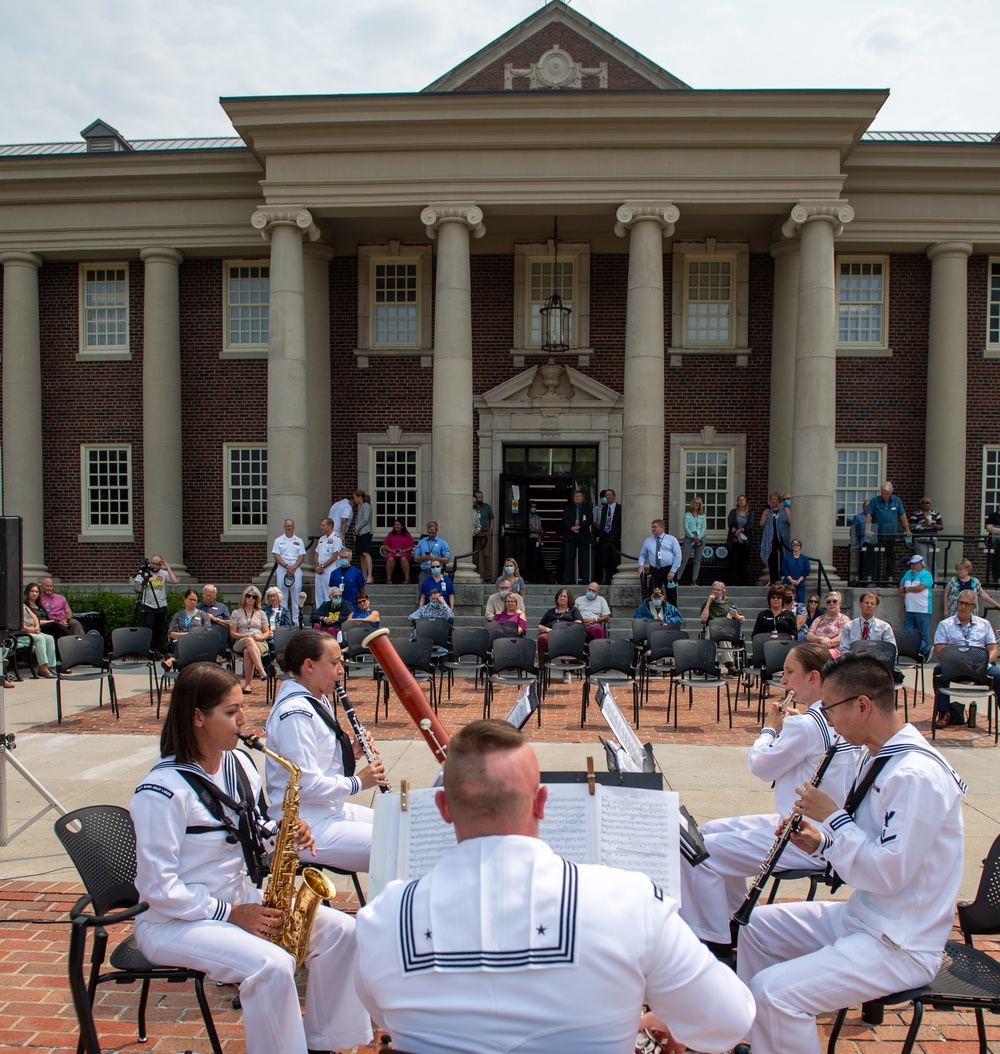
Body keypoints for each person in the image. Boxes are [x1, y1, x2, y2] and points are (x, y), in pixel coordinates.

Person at [354, 719, 755, 1054]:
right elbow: (728, 1020)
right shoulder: (631, 902)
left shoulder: (381, 919)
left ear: (442, 807)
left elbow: (385, 1014)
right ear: (541, 802)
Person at [130, 662, 373, 1054]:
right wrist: (230, 913)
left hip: (237, 900)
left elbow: (258, 830)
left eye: (242, 707)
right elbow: (158, 889)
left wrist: (285, 835)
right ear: (197, 718)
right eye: (230, 712)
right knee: (272, 965)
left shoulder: (239, 764)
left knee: (341, 933)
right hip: (173, 921)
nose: (244, 720)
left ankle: (327, 1043)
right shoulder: (161, 791)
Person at [737, 654, 966, 1054]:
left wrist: (833, 820)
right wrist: (821, 841)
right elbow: (868, 841)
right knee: (754, 927)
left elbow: (889, 873)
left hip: (899, 941)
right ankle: (768, 1041)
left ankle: (776, 1025)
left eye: (829, 709)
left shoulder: (916, 775)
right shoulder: (878, 753)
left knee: (775, 991)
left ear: (862, 705)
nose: (825, 719)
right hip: (865, 916)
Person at [679, 643, 857, 958]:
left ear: (813, 677)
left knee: (699, 852)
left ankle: (712, 939)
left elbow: (761, 767)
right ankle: (732, 917)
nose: (784, 681)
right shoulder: (827, 718)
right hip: (815, 825)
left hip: (808, 836)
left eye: (790, 673)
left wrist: (769, 729)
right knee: (710, 831)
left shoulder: (805, 724)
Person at [264, 631, 388, 873]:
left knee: (401, 829)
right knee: (395, 849)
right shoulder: (295, 714)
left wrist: (351, 753)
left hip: (329, 810)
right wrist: (359, 782)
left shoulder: (316, 699)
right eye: (333, 663)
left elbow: (322, 764)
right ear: (309, 665)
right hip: (305, 825)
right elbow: (307, 785)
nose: (340, 670)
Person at [931, 588, 1000, 727]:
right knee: (938, 670)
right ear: (956, 604)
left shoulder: (984, 624)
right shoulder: (945, 624)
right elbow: (940, 651)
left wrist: (985, 662)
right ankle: (944, 713)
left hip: (978, 665)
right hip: (954, 665)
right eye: (960, 603)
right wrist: (957, 661)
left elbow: (993, 649)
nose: (962, 606)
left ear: (973, 607)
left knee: (998, 675)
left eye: (967, 604)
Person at [864, 481, 912, 584]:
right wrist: (867, 529)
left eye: (886, 493)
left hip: (891, 534)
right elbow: (868, 515)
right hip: (877, 533)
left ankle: (887, 579)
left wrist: (907, 529)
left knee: (889, 557)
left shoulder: (896, 500)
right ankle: (874, 579)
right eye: (883, 493)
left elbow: (902, 515)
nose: (884, 495)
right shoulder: (874, 501)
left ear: (891, 492)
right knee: (874, 557)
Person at [230, 586, 272, 695]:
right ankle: (261, 670)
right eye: (248, 596)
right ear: (244, 597)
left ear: (257, 599)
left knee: (247, 652)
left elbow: (267, 632)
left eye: (254, 597)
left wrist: (261, 637)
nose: (251, 598)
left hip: (259, 641)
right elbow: (233, 633)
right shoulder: (236, 613)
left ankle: (248, 685)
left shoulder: (261, 613)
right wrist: (243, 635)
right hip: (241, 640)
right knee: (248, 640)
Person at [134, 555, 178, 653]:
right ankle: (151, 650)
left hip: (161, 604)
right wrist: (140, 587)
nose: (154, 566)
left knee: (159, 629)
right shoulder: (144, 573)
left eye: (157, 564)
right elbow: (136, 586)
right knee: (149, 627)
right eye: (153, 563)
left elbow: (174, 581)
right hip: (147, 604)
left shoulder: (164, 573)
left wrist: (167, 567)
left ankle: (158, 650)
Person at [163, 588, 213, 669]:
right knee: (183, 642)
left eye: (195, 600)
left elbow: (207, 632)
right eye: (190, 599)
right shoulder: (178, 615)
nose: (193, 602)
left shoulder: (202, 615)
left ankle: (172, 659)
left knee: (188, 643)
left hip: (197, 643)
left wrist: (190, 637)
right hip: (179, 642)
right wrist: (186, 635)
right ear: (185, 599)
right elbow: (171, 634)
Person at [536, 587, 583, 670]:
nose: (562, 598)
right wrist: (549, 630)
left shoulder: (573, 610)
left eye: (565, 596)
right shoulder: (550, 612)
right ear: (557, 598)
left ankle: (566, 670)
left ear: (569, 599)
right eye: (561, 596)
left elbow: (578, 624)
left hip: (567, 635)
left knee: (561, 640)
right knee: (541, 638)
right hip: (550, 635)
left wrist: (563, 631)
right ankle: (542, 667)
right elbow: (540, 626)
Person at [637, 519, 681, 606]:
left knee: (671, 594)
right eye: (652, 527)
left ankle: (672, 615)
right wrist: (641, 565)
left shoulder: (671, 539)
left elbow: (678, 555)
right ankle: (653, 614)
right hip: (655, 570)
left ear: (662, 527)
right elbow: (643, 555)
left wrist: (673, 571)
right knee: (653, 593)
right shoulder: (648, 541)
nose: (653, 529)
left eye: (655, 527)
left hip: (668, 569)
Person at [899, 552, 933, 658]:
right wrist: (902, 589)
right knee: (908, 631)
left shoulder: (926, 574)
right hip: (910, 609)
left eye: (914, 564)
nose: (912, 566)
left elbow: (920, 588)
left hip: (923, 609)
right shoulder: (908, 573)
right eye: (911, 564)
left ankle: (924, 652)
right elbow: (901, 585)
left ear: (921, 564)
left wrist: (906, 589)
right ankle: (924, 650)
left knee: (923, 633)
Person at [271, 519, 305, 623]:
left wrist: (294, 567)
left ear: (294, 527)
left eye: (291, 526)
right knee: (282, 596)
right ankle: (283, 620)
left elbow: (301, 556)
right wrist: (286, 566)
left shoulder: (299, 541)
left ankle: (296, 621)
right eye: (287, 526)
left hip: (296, 569)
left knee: (296, 596)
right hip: (282, 569)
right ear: (284, 527)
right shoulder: (278, 540)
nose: (289, 527)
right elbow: (276, 555)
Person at [21, 584, 59, 677]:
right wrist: (33, 630)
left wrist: (37, 627)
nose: (34, 593)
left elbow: (34, 616)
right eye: (32, 591)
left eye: (36, 591)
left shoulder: (22, 605)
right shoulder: (11, 608)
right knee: (40, 639)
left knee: (49, 638)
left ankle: (50, 667)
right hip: (23, 633)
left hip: (33, 630)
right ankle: (43, 668)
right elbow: (20, 626)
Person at [806, 591, 850, 658]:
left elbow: (842, 638)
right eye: (828, 602)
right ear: (826, 604)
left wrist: (827, 643)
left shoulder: (844, 619)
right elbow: (809, 636)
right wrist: (821, 639)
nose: (831, 603)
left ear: (840, 603)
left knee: (822, 655)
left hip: (835, 650)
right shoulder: (819, 619)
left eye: (834, 601)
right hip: (817, 649)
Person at [759, 492, 791, 585]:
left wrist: (788, 512)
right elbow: (761, 524)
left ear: (779, 500)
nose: (773, 501)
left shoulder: (784, 510)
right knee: (772, 558)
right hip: (771, 538)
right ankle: (773, 578)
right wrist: (765, 515)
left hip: (782, 537)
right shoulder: (769, 511)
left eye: (775, 499)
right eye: (772, 499)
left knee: (784, 556)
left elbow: (789, 521)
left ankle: (782, 576)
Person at [561, 490, 593, 585]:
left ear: (582, 498)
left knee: (584, 558)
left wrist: (579, 527)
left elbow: (590, 520)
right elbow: (564, 519)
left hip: (583, 536)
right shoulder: (568, 508)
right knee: (569, 558)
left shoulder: (587, 508)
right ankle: (567, 579)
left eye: (579, 496)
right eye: (576, 496)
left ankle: (585, 579)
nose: (577, 498)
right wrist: (571, 528)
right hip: (570, 536)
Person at [594, 488, 622, 585]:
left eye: (610, 495)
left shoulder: (620, 508)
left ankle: (615, 575)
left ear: (614, 496)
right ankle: (608, 577)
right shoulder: (605, 509)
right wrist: (599, 535)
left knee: (615, 557)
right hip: (605, 536)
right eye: (607, 495)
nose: (608, 497)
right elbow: (602, 523)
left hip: (615, 536)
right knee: (606, 559)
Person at [677, 496, 707, 586]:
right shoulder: (687, 515)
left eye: (698, 503)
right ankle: (677, 578)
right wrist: (693, 537)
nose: (696, 505)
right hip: (690, 538)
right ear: (692, 504)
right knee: (684, 559)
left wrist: (699, 537)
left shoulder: (702, 515)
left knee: (697, 560)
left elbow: (704, 528)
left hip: (701, 538)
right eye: (695, 503)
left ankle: (694, 580)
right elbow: (686, 528)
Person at [910, 496, 943, 574]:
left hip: (932, 540)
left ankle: (934, 581)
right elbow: (911, 526)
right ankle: (925, 579)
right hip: (920, 540)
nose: (925, 504)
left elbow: (941, 526)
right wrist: (922, 525)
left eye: (927, 503)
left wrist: (933, 526)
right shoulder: (916, 514)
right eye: (923, 503)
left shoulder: (935, 513)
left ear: (930, 504)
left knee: (932, 561)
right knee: (922, 560)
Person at [314, 518, 341, 606]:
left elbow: (334, 556)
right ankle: (319, 615)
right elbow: (316, 554)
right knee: (318, 593)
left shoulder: (336, 539)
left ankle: (329, 613)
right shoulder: (321, 538)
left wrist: (322, 566)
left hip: (329, 569)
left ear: (329, 526)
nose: (321, 527)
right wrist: (317, 566)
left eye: (323, 525)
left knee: (328, 592)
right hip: (319, 569)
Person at [351, 490, 375, 584]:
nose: (354, 500)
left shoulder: (366, 505)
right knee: (361, 554)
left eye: (355, 497)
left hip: (365, 532)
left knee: (365, 553)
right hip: (360, 533)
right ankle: (364, 576)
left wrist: (356, 528)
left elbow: (365, 519)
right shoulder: (361, 507)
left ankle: (370, 576)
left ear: (359, 497)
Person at [727, 495, 752, 586]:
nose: (741, 502)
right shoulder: (733, 512)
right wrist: (738, 536)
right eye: (740, 500)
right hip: (734, 541)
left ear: (746, 502)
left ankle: (743, 582)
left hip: (745, 542)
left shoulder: (749, 513)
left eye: (743, 500)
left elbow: (750, 525)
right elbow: (730, 524)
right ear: (737, 502)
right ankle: (734, 582)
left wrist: (742, 530)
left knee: (743, 562)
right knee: (734, 562)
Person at [383, 519, 416, 584]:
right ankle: (388, 579)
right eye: (395, 524)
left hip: (404, 553)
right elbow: (386, 546)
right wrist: (392, 551)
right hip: (393, 552)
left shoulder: (407, 534)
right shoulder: (390, 534)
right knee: (390, 559)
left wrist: (403, 551)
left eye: (398, 524)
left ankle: (407, 578)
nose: (396, 526)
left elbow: (411, 547)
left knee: (403, 559)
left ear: (402, 526)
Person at [473, 489, 495, 582]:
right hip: (474, 533)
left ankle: (488, 577)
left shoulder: (487, 507)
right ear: (474, 498)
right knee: (475, 556)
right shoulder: (472, 508)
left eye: (481, 497)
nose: (480, 499)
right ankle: (475, 575)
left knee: (486, 555)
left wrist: (490, 530)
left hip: (485, 532)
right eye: (479, 497)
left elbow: (492, 519)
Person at [780, 538, 810, 603]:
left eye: (797, 545)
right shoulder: (787, 558)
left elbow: (806, 571)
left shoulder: (804, 559)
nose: (795, 546)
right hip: (788, 584)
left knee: (800, 603)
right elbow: (784, 570)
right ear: (791, 546)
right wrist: (791, 580)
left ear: (800, 546)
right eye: (794, 545)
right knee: (786, 601)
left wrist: (798, 580)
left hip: (800, 584)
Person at [526, 501, 545, 582]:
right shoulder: (527, 516)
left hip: (537, 539)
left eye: (535, 507)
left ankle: (537, 577)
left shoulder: (537, 517)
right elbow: (531, 529)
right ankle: (530, 577)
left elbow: (541, 530)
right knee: (531, 558)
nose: (534, 508)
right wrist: (539, 532)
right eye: (532, 506)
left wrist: (540, 536)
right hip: (530, 539)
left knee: (537, 558)